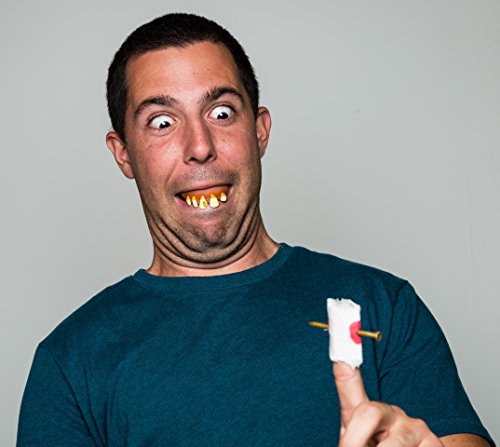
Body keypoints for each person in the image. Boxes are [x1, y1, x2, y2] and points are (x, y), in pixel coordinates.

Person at [17, 13, 493, 447]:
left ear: (260, 130)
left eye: (221, 113)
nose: (199, 145)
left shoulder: (382, 306)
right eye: (162, 122)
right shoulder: (70, 364)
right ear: (123, 154)